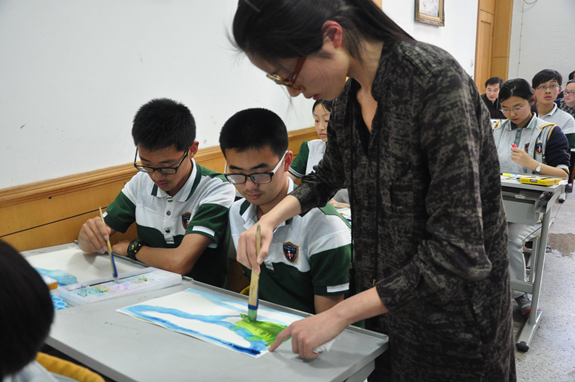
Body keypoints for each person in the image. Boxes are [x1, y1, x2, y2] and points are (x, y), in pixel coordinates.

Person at [231, 0, 515, 380]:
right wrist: (271, 220)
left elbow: (458, 253)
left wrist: (339, 314)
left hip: (454, 330)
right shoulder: (349, 101)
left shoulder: (434, 83)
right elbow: (327, 175)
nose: (295, 93)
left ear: (332, 36)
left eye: (289, 75)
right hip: (384, 323)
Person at [78, 98, 236, 288]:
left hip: (200, 299)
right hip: (145, 290)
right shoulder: (141, 182)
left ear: (192, 150)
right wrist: (88, 236)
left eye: (167, 167)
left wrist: (132, 249)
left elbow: (179, 263)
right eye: (147, 165)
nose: (156, 176)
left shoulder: (216, 188)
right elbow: (89, 244)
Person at [219, 108, 352, 314]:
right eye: (237, 175)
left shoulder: (324, 226)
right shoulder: (238, 212)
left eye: (260, 174)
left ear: (287, 162)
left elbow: (329, 324)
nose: (249, 186)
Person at [493, 78, 570, 317]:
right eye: (505, 108)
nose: (511, 113)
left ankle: (520, 294)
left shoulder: (549, 132)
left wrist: (533, 164)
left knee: (509, 239)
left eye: (518, 107)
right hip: (495, 203)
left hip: (532, 208)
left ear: (531, 101)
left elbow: (564, 173)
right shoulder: (494, 128)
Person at [288, 100, 349, 208]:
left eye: (326, 120)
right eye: (316, 120)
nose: (321, 127)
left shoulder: (361, 155)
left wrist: (340, 205)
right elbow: (286, 181)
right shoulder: (310, 148)